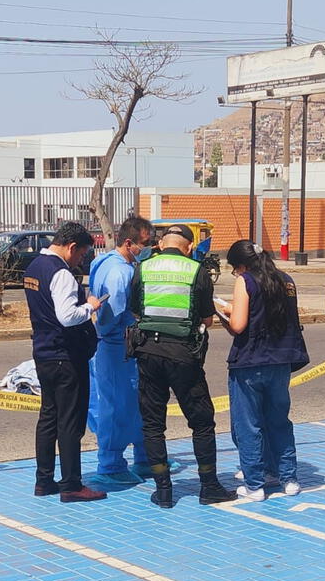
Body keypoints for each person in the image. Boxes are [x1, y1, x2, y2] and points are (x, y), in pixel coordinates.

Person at [130, 223, 236, 509]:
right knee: (201, 422)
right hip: (183, 355)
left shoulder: (143, 268)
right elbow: (207, 319)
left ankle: (163, 490)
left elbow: (135, 310)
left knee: (153, 424)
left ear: (162, 244)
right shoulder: (197, 271)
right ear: (189, 246)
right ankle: (209, 486)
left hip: (148, 352)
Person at [23, 220, 107, 503]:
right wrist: (91, 306)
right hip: (65, 356)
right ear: (71, 247)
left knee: (48, 417)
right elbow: (67, 316)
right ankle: (71, 484)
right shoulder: (60, 273)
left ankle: (43, 480)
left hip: (44, 353)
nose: (81, 260)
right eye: (81, 254)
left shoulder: (34, 267)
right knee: (70, 422)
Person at [221, 239, 309, 502]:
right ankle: (288, 478)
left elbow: (238, 325)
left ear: (242, 265)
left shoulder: (246, 281)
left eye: (235, 269)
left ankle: (254, 484)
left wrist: (223, 314)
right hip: (281, 362)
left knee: (249, 426)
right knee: (278, 421)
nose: (236, 273)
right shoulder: (286, 280)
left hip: (250, 362)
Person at [88, 216, 153, 484]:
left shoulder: (102, 262)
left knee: (136, 402)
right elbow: (112, 311)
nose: (150, 248)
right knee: (116, 405)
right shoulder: (121, 272)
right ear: (129, 243)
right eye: (146, 244)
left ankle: (144, 457)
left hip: (118, 344)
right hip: (117, 345)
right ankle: (111, 465)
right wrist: (110, 332)